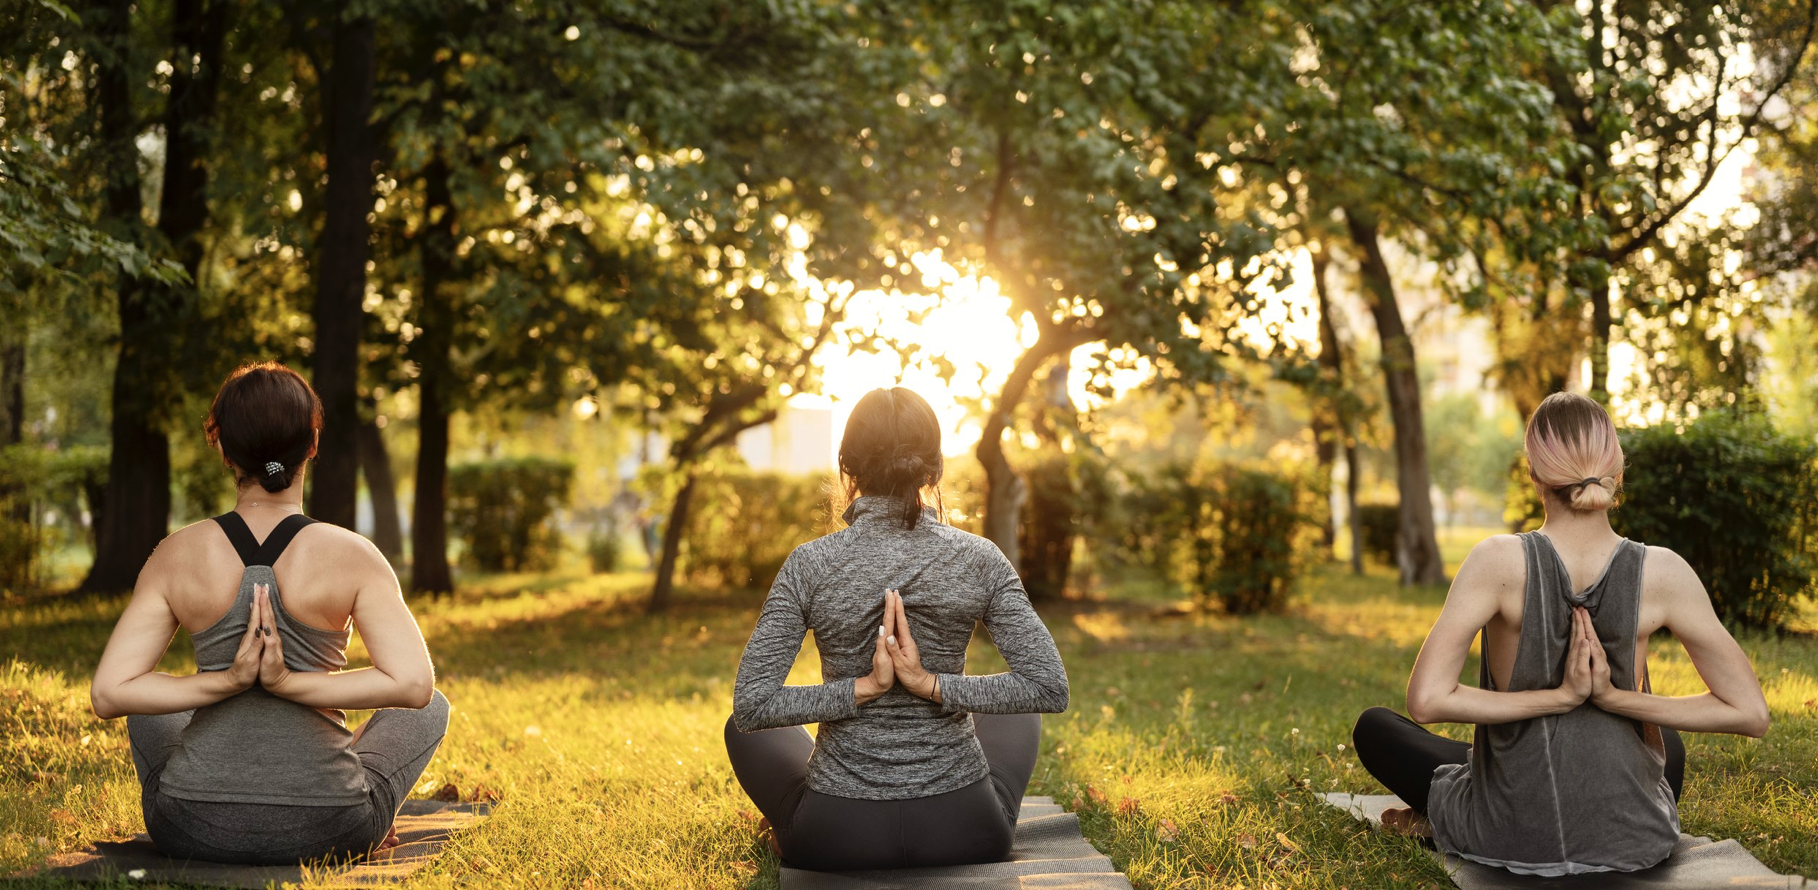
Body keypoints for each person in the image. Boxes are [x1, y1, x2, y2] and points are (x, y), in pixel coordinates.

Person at [1350, 391, 1770, 875]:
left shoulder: (1496, 561)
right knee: (1665, 740)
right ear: (1617, 469)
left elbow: (1425, 701)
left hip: (1508, 831)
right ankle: (1503, 779)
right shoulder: (1664, 571)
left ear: (1533, 475)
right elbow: (1751, 712)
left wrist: (1557, 700)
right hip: (1634, 839)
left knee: (1377, 727)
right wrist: (1613, 699)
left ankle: (1446, 810)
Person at [90, 362, 450, 865]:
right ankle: (371, 816)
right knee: (434, 707)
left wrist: (226, 682)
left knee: (152, 703)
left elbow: (110, 692)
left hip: (189, 828)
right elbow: (415, 686)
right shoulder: (353, 554)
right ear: (313, 442)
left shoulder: (176, 553)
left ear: (220, 445)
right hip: (333, 828)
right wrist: (292, 684)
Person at [725, 386, 1070, 871]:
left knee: (742, 729)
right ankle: (991, 814)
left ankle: (790, 830)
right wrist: (931, 686)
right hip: (966, 832)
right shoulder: (979, 557)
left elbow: (752, 705)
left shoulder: (810, 564)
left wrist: (862, 690)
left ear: (847, 467)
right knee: (1015, 707)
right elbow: (1048, 687)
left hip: (835, 836)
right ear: (934, 468)